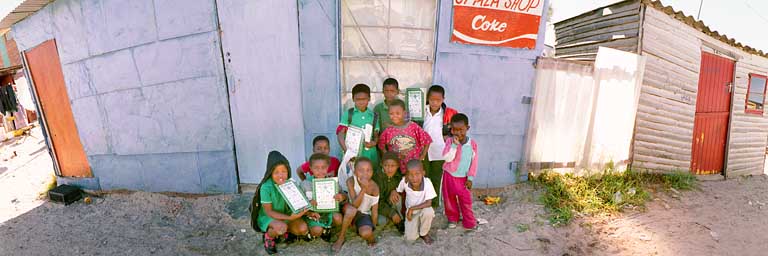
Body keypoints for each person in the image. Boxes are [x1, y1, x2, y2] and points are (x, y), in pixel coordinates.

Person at [250, 151, 317, 255]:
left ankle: (285, 233)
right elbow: (269, 212)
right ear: (270, 173)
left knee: (303, 229)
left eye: (284, 171)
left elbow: (297, 204)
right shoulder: (266, 187)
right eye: (276, 172)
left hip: (286, 213)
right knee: (281, 228)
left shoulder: (290, 184)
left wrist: (308, 213)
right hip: (269, 217)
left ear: (288, 171)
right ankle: (269, 236)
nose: (281, 175)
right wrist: (291, 218)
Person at [422, 85, 459, 208]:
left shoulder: (448, 114)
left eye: (438, 100)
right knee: (424, 177)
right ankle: (423, 203)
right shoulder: (422, 112)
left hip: (440, 152)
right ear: (428, 98)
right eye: (432, 99)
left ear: (443, 99)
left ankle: (434, 204)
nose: (434, 102)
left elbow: (455, 130)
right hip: (424, 152)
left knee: (436, 178)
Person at [332, 157, 380, 252]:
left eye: (368, 170)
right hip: (349, 209)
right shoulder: (351, 181)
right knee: (351, 210)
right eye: (361, 170)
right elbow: (355, 205)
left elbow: (374, 212)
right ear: (355, 172)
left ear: (372, 172)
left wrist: (372, 228)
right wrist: (363, 189)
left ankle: (362, 229)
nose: (365, 174)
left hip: (363, 214)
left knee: (366, 233)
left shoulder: (375, 188)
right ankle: (341, 237)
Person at [442, 113, 478, 231]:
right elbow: (447, 158)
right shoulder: (449, 142)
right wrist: (454, 146)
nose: (458, 133)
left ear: (467, 128)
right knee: (449, 199)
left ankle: (469, 221)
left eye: (461, 130)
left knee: (466, 200)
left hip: (463, 178)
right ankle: (452, 218)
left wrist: (470, 178)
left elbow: (474, 162)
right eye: (455, 130)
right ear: (451, 129)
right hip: (449, 176)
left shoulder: (472, 144)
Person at [300, 153, 345, 242]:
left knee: (338, 218)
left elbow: (344, 195)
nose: (320, 171)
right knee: (317, 231)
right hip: (313, 214)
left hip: (329, 212)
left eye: (323, 167)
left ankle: (327, 228)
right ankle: (311, 233)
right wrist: (308, 204)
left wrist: (341, 197)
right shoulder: (305, 184)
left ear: (328, 167)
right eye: (316, 168)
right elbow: (299, 202)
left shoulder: (332, 182)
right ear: (311, 168)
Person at [378, 99, 432, 174]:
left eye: (397, 113)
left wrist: (422, 156)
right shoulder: (388, 131)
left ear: (404, 113)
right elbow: (381, 145)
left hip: (414, 168)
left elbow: (427, 140)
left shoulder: (413, 127)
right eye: (391, 113)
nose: (394, 116)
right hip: (397, 170)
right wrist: (389, 158)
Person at [337, 83, 380, 171]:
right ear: (353, 99)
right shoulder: (349, 114)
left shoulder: (374, 115)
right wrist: (347, 152)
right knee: (353, 176)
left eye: (364, 99)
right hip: (352, 153)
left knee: (370, 175)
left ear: (369, 98)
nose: (361, 102)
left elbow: (376, 135)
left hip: (369, 153)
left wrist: (374, 143)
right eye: (358, 99)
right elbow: (340, 134)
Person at [395, 160, 436, 244]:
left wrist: (411, 209)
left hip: (423, 209)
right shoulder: (405, 181)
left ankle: (424, 233)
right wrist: (393, 192)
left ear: (423, 173)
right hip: (411, 213)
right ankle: (415, 225)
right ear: (406, 175)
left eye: (417, 174)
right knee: (410, 239)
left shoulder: (427, 182)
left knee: (429, 212)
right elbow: (398, 191)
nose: (414, 178)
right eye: (410, 175)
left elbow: (429, 203)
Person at [373, 152, 405, 232]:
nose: (389, 169)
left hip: (390, 202)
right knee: (381, 221)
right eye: (386, 165)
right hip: (378, 206)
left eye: (393, 166)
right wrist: (391, 213)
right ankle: (394, 218)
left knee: (397, 197)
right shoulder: (377, 178)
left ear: (397, 166)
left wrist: (395, 190)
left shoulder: (398, 176)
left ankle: (399, 221)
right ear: (381, 165)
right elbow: (376, 202)